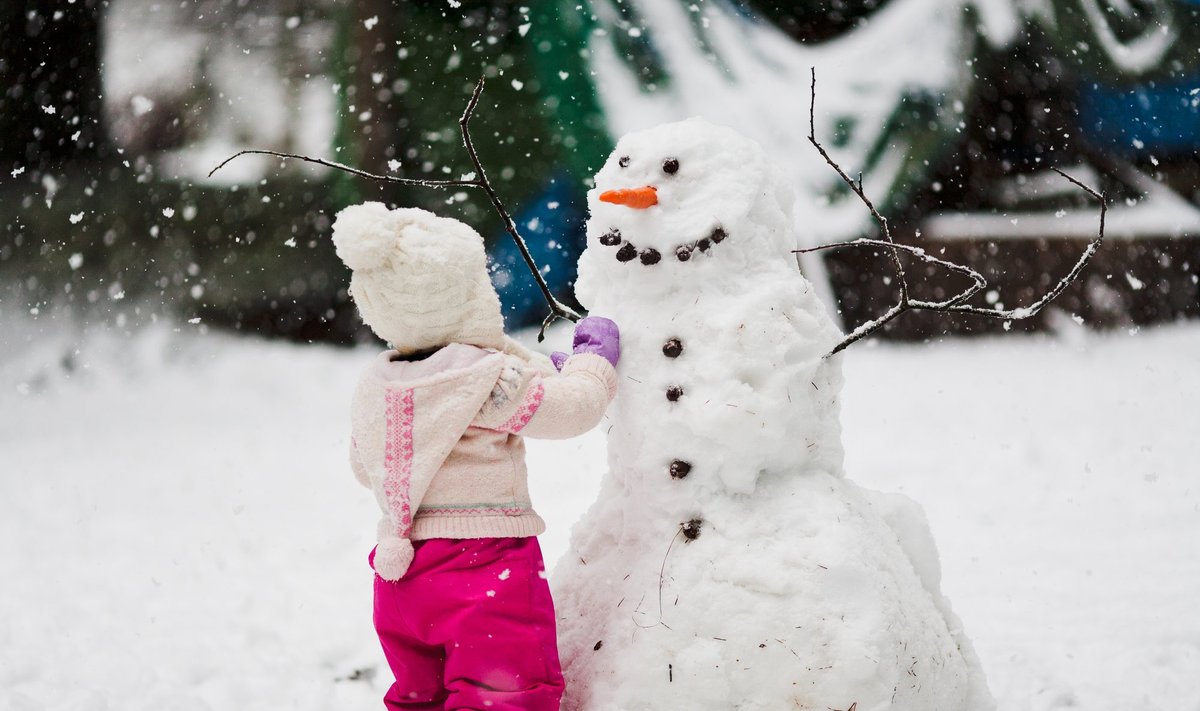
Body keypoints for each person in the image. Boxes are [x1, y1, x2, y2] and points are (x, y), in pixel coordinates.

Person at [331, 202, 619, 711]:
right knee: (502, 696)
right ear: (466, 297)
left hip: (401, 583)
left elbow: (364, 467)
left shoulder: (379, 384)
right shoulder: (487, 381)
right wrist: (592, 363)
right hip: (480, 571)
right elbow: (574, 411)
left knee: (421, 698)